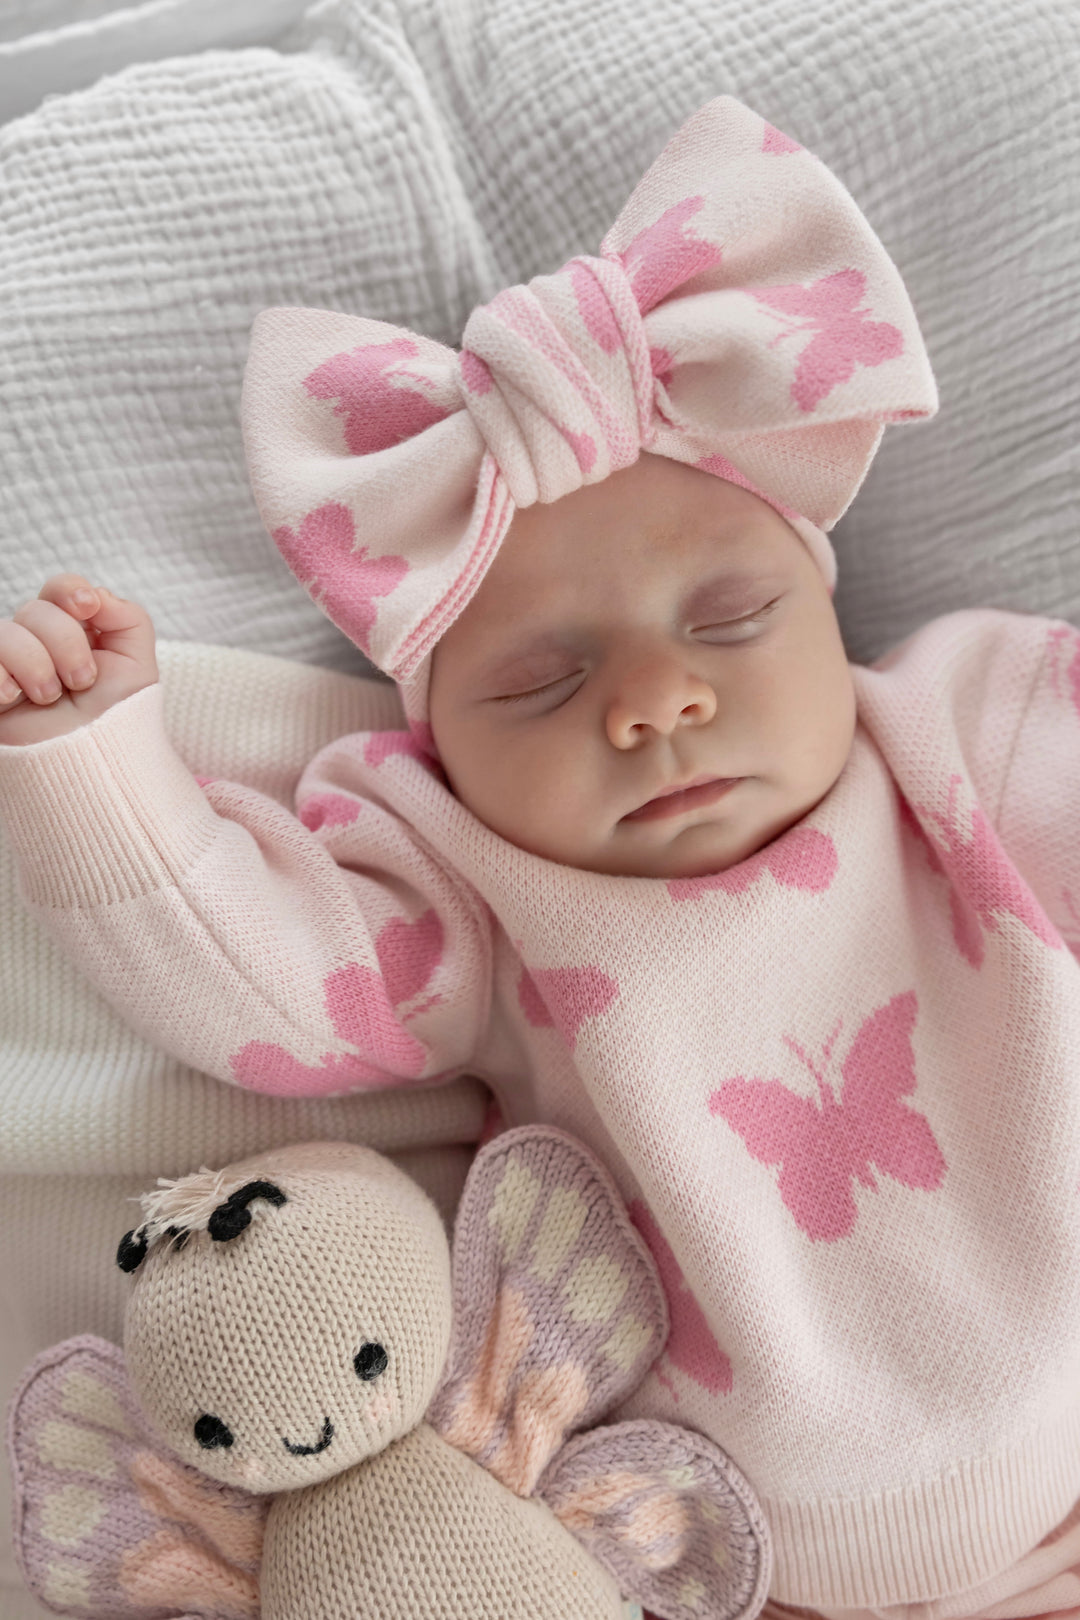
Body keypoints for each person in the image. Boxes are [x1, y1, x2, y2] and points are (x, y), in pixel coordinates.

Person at [3, 95, 1080, 1620]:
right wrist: (91, 765)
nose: (655, 700)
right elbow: (254, 980)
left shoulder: (962, 740)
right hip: (721, 1550)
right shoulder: (474, 881)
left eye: (732, 620)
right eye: (538, 684)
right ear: (442, 741)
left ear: (831, 612)